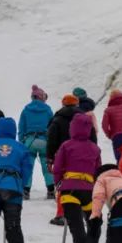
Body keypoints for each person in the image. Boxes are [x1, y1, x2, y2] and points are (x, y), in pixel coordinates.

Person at [53, 113, 103, 243]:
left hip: (70, 189)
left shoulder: (66, 146)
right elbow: (98, 170)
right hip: (89, 189)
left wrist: (58, 184)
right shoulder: (95, 148)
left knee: (77, 226)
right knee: (94, 221)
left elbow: (58, 168)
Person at [47, 93, 97, 224]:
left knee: (63, 184)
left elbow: (51, 140)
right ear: (77, 104)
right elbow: (93, 138)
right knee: (83, 181)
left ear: (63, 104)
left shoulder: (56, 119)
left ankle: (61, 214)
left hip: (62, 154)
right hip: (84, 154)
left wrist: (50, 158)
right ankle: (82, 210)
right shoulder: (85, 119)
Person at [18, 85, 55, 200]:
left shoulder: (26, 109)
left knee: (28, 166)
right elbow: (52, 126)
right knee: (46, 165)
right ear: (42, 97)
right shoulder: (48, 109)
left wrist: (22, 142)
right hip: (44, 140)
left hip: (30, 140)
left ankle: (26, 191)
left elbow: (21, 127)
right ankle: (50, 190)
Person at [101, 89, 122, 163]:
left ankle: (121, 173)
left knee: (120, 158)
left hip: (118, 136)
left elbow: (104, 125)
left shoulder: (108, 110)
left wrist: (109, 135)